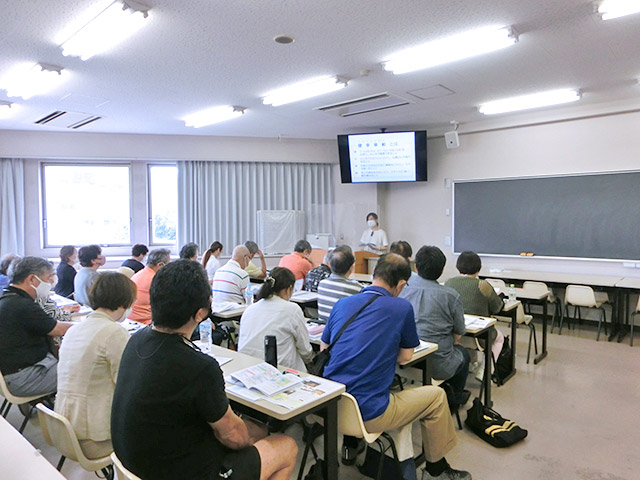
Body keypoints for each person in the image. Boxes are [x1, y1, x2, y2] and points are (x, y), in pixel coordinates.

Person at [111, 260, 297, 480]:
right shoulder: (200, 367)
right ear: (200, 313)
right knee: (287, 446)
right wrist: (252, 433)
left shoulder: (136, 341)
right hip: (181, 472)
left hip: (132, 466)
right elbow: (233, 436)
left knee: (252, 431)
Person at [321, 254, 470, 480]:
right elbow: (405, 356)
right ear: (401, 284)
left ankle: (350, 447)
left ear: (374, 275)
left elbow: (325, 348)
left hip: (330, 406)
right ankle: (436, 471)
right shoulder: (401, 308)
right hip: (371, 412)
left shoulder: (343, 303)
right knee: (437, 397)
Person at [55, 273, 135, 459]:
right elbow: (128, 386)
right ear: (125, 301)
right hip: (94, 438)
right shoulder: (114, 332)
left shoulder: (75, 329)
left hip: (64, 428)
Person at [400, 246, 470, 406]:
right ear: (442, 269)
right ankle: (454, 400)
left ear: (415, 267)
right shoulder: (450, 295)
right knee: (463, 354)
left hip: (404, 360)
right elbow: (459, 333)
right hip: (437, 365)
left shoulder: (403, 289)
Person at [0, 257, 73, 396]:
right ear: (32, 279)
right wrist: (91, 326)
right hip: (25, 378)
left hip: (13, 373)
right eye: (47, 278)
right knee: (86, 370)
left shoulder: (8, 298)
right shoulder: (22, 305)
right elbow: (59, 329)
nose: (50, 282)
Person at [238, 267, 313, 372]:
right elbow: (305, 350)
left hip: (247, 367)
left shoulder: (250, 308)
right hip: (279, 370)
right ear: (289, 289)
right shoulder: (292, 309)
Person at [445, 251, 505, 377]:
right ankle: (485, 370)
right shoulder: (482, 285)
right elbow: (497, 308)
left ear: (458, 266)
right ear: (478, 268)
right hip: (479, 337)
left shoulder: (449, 283)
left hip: (455, 333)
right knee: (499, 338)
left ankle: (471, 365)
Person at [316, 246, 362, 323]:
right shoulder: (356, 288)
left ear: (329, 264)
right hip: (342, 331)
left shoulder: (322, 283)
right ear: (351, 267)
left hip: (323, 329)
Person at [129, 249, 170, 324]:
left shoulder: (138, 274)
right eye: (168, 264)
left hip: (131, 319)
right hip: (146, 322)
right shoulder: (156, 280)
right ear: (160, 265)